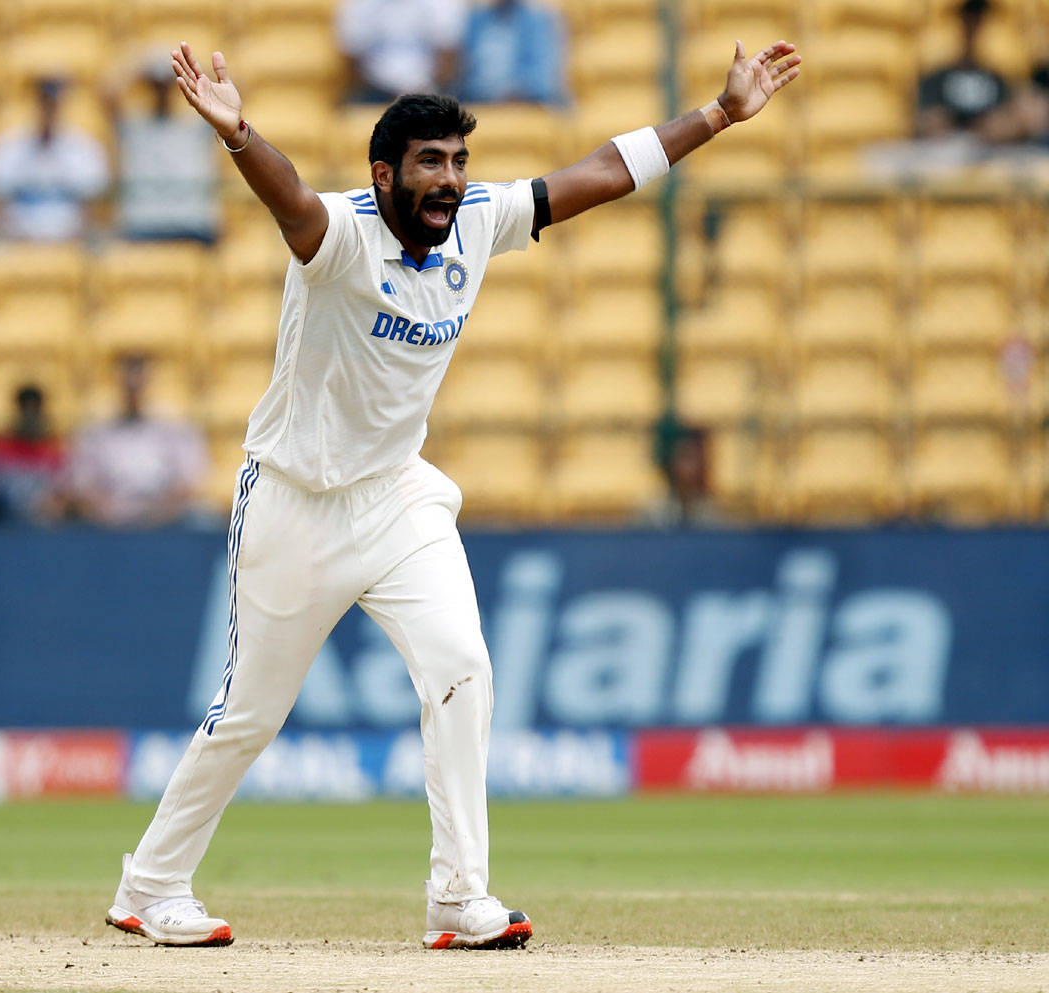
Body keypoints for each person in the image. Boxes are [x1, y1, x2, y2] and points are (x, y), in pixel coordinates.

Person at [105, 37, 801, 950]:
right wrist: (240, 136)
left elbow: (596, 172)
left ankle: (459, 897)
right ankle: (149, 885)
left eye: (460, 161)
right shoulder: (343, 234)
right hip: (294, 500)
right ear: (384, 173)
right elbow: (293, 205)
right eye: (430, 163)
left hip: (397, 497)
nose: (452, 180)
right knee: (250, 714)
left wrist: (717, 114)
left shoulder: (476, 220)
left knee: (463, 668)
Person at [68, 354, 209, 527]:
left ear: (147, 384)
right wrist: (107, 512)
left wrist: (159, 513)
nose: (133, 391)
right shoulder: (95, 432)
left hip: (167, 518)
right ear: (118, 385)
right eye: (128, 385)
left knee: (205, 521)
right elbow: (83, 484)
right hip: (109, 521)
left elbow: (188, 482)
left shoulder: (175, 427)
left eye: (138, 384)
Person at [107, 53, 219, 243]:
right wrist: (143, 64)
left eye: (167, 84)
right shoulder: (134, 127)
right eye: (156, 85)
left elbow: (232, 95)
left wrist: (187, 68)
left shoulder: (194, 127)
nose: (162, 91)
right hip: (142, 225)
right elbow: (107, 96)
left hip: (192, 224)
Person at [0, 76, 109, 241]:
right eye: (44, 102)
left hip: (71, 245)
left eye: (53, 103)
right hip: (18, 245)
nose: (48, 109)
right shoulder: (7, 147)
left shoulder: (85, 149)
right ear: (35, 103)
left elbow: (92, 209)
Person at [916, 0, 1019, 142]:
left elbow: (1006, 125)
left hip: (988, 156)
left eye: (978, 22)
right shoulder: (935, 78)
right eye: (968, 21)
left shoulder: (998, 80)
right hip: (946, 155)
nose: (973, 29)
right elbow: (930, 124)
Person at [336, 0, 467, 102]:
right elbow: (351, 61)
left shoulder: (441, 3)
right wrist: (388, 93)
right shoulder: (359, 4)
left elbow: (449, 59)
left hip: (429, 91)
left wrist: (421, 91)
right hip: (374, 93)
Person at [0, 384, 67, 524]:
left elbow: (65, 494)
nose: (29, 415)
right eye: (25, 409)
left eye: (34, 409)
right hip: (5, 527)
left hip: (47, 528)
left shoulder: (55, 450)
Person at [455, 0, 569, 106]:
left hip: (522, 107)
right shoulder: (475, 20)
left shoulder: (537, 21)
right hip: (479, 104)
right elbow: (463, 78)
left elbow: (543, 80)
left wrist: (512, 93)